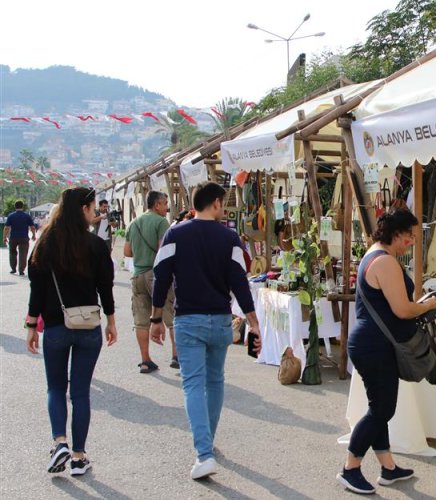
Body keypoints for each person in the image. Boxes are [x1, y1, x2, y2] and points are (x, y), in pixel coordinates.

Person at [149, 181, 261, 480]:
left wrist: (156, 317)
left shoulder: (175, 234)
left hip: (188, 320)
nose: (222, 208)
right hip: (221, 320)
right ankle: (207, 444)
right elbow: (240, 281)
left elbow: (161, 277)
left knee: (194, 384)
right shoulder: (230, 238)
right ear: (214, 203)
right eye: (222, 203)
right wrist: (252, 321)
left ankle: (204, 452)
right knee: (215, 381)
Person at [337, 208, 436, 495]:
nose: (412, 241)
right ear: (397, 233)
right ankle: (350, 467)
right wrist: (429, 306)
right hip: (374, 345)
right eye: (410, 235)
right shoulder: (385, 262)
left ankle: (388, 467)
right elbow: (403, 309)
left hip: (371, 342)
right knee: (382, 409)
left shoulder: (375, 254)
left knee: (378, 407)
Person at [24, 187, 117, 476]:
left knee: (55, 388)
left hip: (55, 327)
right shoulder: (96, 245)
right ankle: (78, 456)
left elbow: (36, 290)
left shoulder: (46, 244)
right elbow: (106, 287)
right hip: (88, 326)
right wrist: (111, 321)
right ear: (83, 210)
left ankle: (60, 442)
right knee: (80, 393)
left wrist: (31, 326)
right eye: (92, 208)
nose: (94, 213)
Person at [124, 191, 178, 373]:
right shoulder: (161, 222)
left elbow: (127, 252)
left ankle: (145, 360)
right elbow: (163, 249)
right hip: (156, 275)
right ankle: (176, 356)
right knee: (171, 316)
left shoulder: (133, 223)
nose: (166, 207)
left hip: (137, 275)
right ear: (157, 205)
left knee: (141, 320)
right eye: (164, 203)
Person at [3, 200, 37, 275]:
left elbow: (6, 228)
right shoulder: (27, 216)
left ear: (15, 207)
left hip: (13, 237)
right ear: (22, 207)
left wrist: (4, 237)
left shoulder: (11, 216)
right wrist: (34, 235)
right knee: (23, 254)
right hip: (24, 237)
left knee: (12, 253)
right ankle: (21, 270)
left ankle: (13, 269)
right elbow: (32, 227)